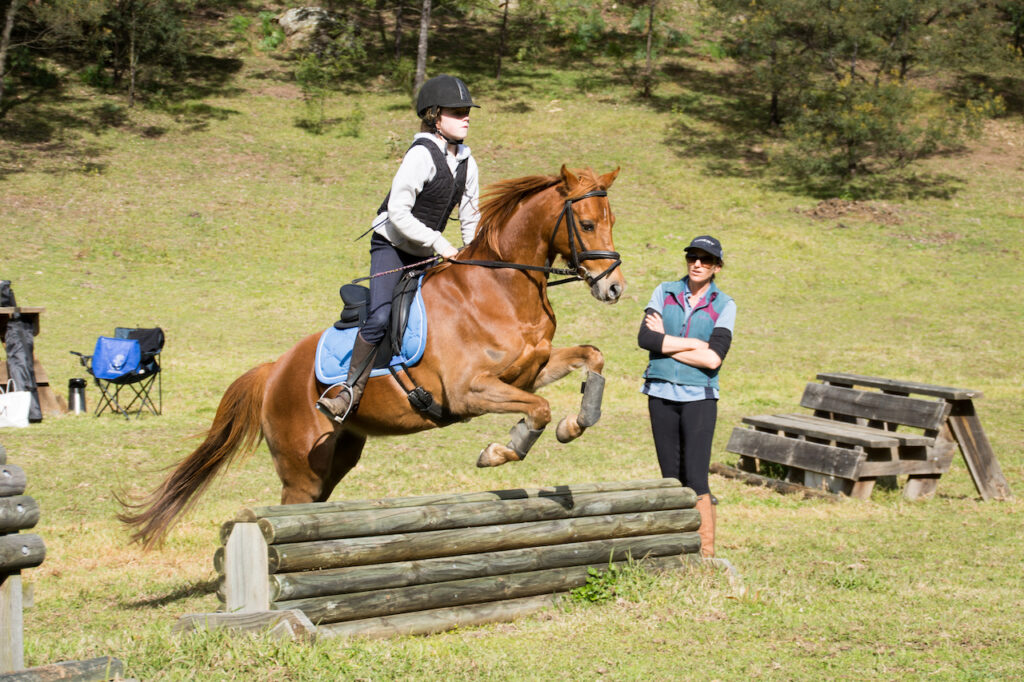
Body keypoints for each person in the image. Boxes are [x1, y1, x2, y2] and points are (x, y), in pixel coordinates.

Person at [316, 74, 481, 423]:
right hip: (393, 246)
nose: (466, 117)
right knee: (379, 316)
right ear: (435, 115)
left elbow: (471, 218)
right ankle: (349, 392)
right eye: (457, 111)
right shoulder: (420, 156)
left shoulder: (467, 162)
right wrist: (440, 242)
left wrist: (475, 255)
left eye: (467, 111)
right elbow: (398, 214)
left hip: (429, 252)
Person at [636, 235, 736, 557]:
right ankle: (674, 549)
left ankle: (704, 553)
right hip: (660, 392)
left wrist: (667, 342)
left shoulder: (725, 305)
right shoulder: (664, 292)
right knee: (670, 478)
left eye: (706, 260)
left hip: (699, 397)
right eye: (692, 257)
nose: (697, 263)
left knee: (696, 477)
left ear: (716, 267)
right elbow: (646, 339)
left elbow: (713, 359)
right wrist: (694, 343)